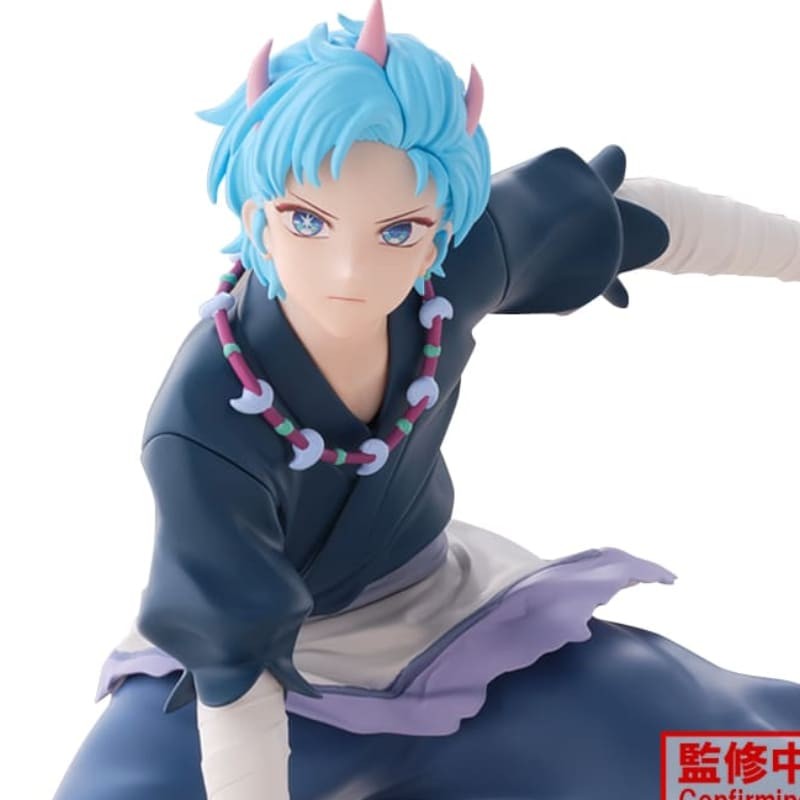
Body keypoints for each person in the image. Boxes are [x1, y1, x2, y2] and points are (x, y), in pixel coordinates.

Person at [53, 2, 800, 798]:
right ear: (255, 217)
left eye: (397, 231)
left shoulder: (446, 273)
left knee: (698, 748)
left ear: (441, 227)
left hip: (447, 619)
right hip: (246, 677)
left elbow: (625, 216)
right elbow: (235, 678)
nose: (349, 270)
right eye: (306, 220)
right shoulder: (203, 422)